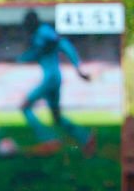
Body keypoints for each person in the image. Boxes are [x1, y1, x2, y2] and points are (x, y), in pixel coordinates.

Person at [17, 9, 95, 156]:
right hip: (53, 77)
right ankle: (86, 138)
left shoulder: (44, 31)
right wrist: (21, 58)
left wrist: (78, 68)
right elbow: (38, 53)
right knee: (57, 117)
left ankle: (49, 139)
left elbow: (63, 44)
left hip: (51, 78)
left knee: (25, 106)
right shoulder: (37, 36)